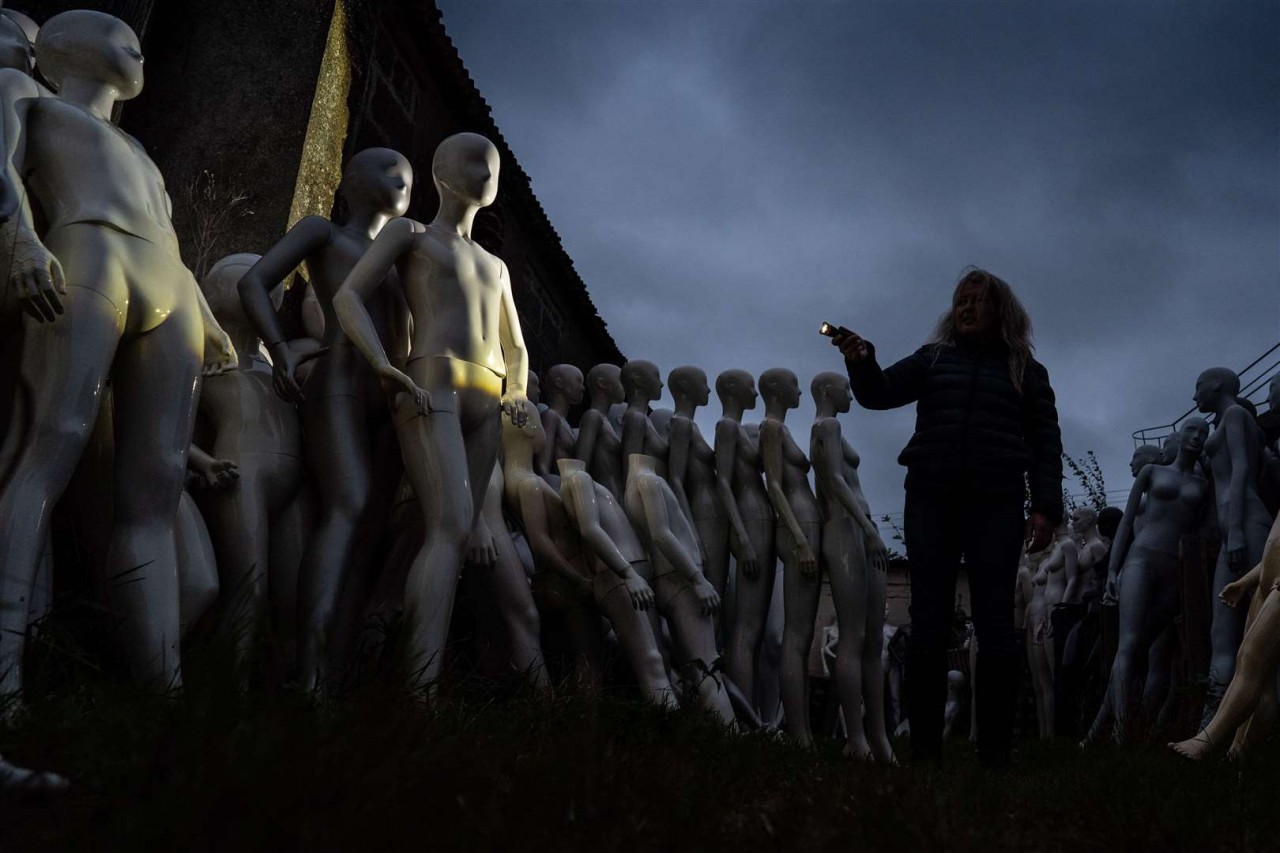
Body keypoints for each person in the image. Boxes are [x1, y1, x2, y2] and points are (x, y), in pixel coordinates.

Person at [832, 267, 1063, 766]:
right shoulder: (934, 358)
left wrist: (1045, 508)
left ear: (999, 309)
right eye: (961, 299)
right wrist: (863, 361)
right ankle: (925, 754)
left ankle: (995, 754)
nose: (966, 307)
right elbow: (878, 394)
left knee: (996, 625)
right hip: (932, 498)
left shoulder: (1026, 369)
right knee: (929, 622)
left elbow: (1046, 444)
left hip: (997, 501)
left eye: (977, 300)